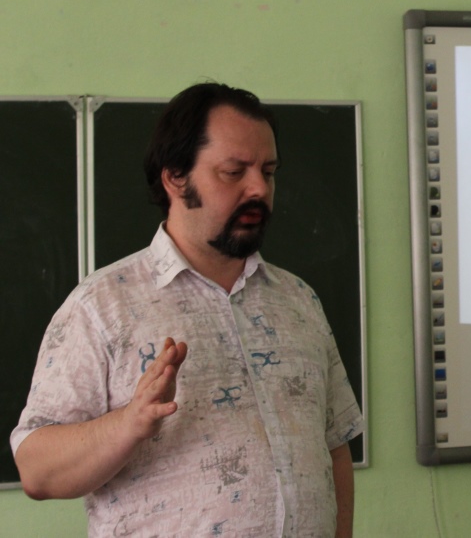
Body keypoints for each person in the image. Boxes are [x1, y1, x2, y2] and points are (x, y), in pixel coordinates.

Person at [10, 82, 363, 537]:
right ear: (176, 177)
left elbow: (334, 446)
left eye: (269, 171)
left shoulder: (300, 301)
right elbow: (36, 471)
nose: (259, 188)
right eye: (233, 172)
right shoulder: (101, 307)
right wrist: (129, 424)